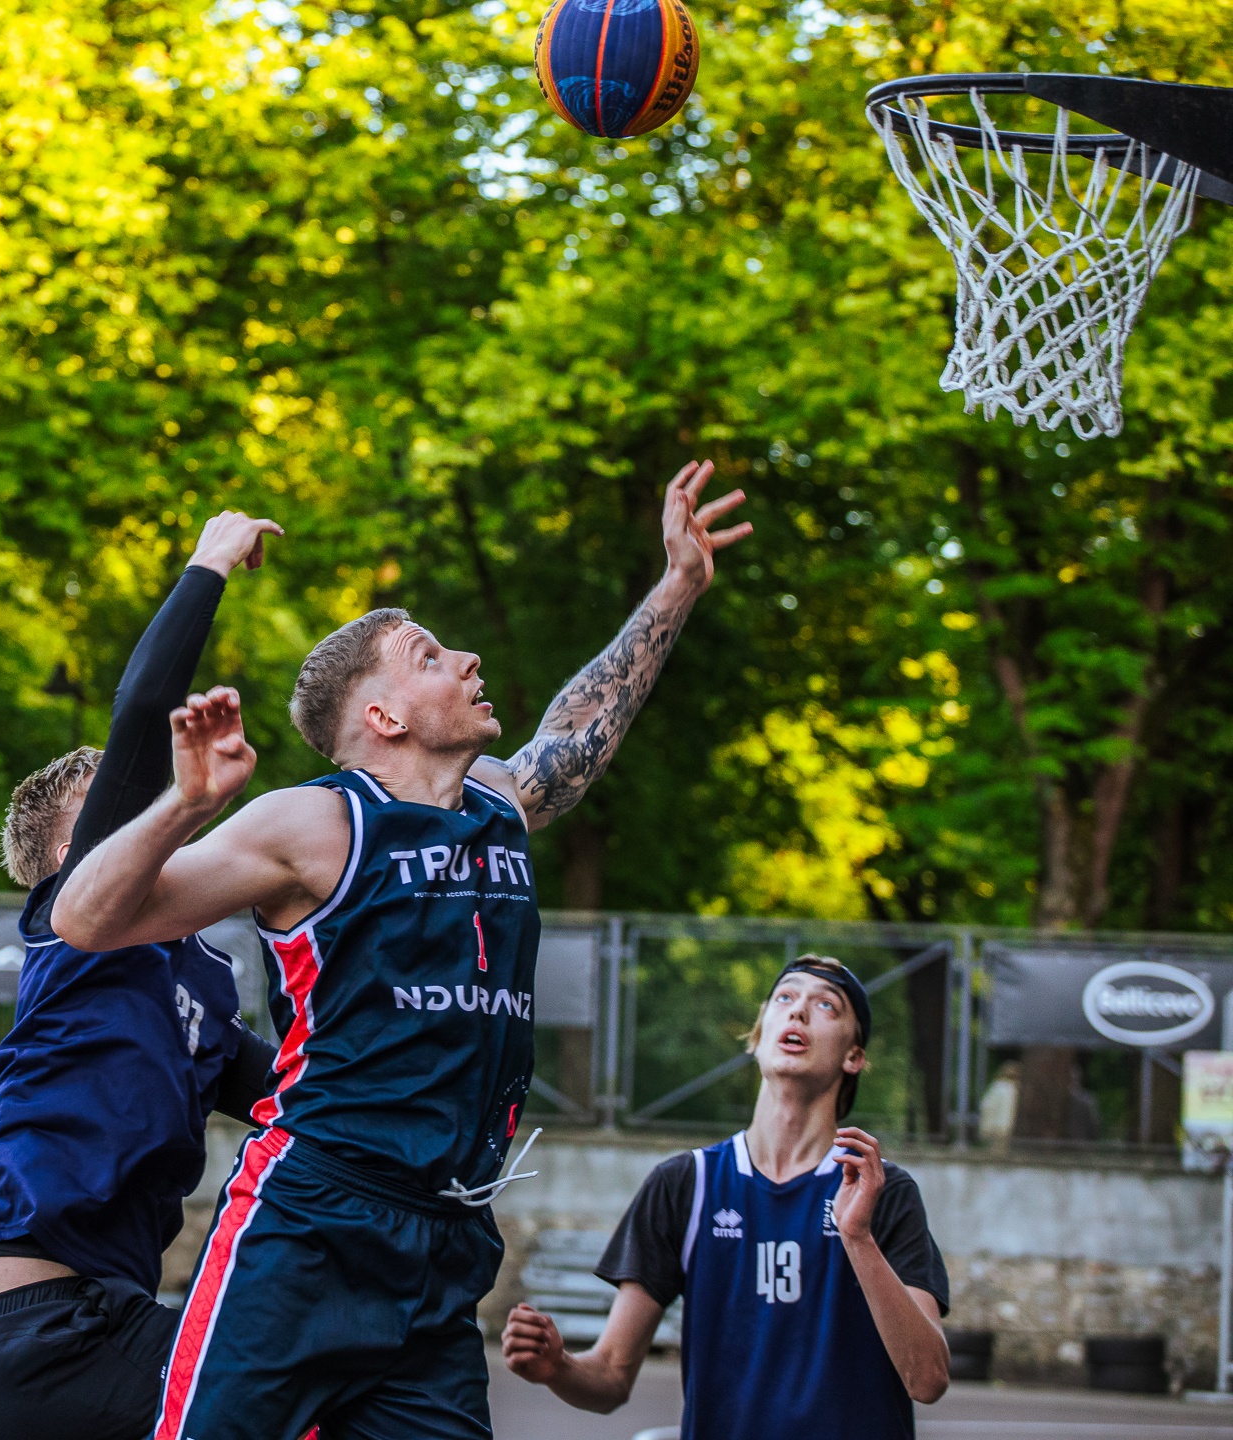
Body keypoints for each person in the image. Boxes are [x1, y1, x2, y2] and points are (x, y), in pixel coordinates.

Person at [54, 460, 750, 1440]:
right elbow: (83, 921)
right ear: (382, 717)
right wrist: (187, 803)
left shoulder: (496, 805)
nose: (465, 659)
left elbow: (580, 733)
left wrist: (676, 586)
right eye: (428, 656)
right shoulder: (314, 823)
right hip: (313, 1225)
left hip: (445, 1243)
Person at [0, 511, 286, 1440]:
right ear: (71, 857)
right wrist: (209, 562)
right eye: (116, 810)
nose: (146, 813)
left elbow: (305, 1095)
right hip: (40, 1333)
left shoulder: (200, 986)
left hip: (108, 1319)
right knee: (300, 1398)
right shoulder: (78, 934)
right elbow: (141, 718)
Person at [502, 956, 952, 1439]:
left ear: (854, 1057)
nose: (798, 1011)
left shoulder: (880, 1190)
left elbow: (927, 1380)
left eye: (826, 1005)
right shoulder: (686, 1184)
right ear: (758, 1036)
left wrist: (857, 1237)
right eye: (785, 997)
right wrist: (558, 1367)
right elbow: (610, 1375)